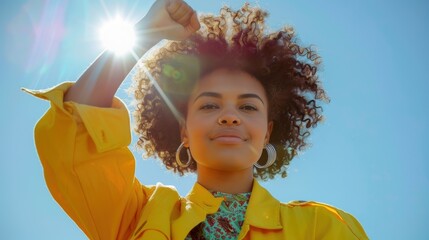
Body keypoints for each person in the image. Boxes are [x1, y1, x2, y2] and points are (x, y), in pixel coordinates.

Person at [25, 0, 369, 239]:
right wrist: (145, 33)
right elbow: (75, 128)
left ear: (268, 133)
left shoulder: (323, 228)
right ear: (183, 131)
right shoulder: (137, 214)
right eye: (209, 106)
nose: (230, 117)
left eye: (248, 108)